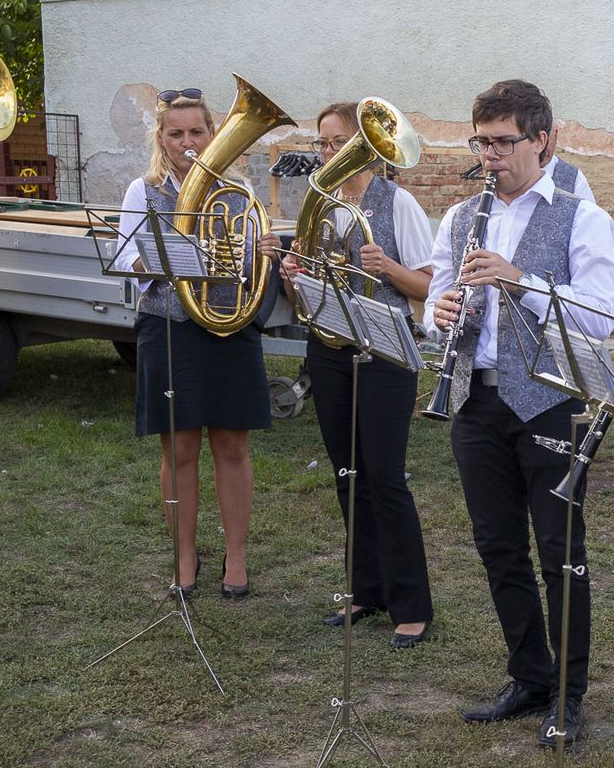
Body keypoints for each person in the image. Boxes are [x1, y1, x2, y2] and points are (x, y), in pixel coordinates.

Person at [428, 79, 614, 745]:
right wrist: (441, 312)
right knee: (498, 546)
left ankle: (569, 692)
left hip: (550, 401)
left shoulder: (582, 216)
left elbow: (598, 314)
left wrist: (521, 280)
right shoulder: (459, 218)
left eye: (505, 142)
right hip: (476, 397)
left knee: (560, 551)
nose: (491, 155)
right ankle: (528, 672)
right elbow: (433, 296)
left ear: (543, 139)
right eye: (482, 141)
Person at [276, 100, 436, 646]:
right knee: (347, 476)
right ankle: (368, 589)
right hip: (330, 350)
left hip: (386, 354)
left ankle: (412, 604)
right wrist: (292, 274)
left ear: (365, 146)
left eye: (337, 142)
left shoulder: (400, 203)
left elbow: (431, 283)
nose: (328, 153)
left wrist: (387, 267)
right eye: (322, 143)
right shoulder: (321, 206)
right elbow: (302, 294)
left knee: (386, 479)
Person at [111, 87, 272, 600]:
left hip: (228, 327)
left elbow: (250, 271)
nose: (187, 142)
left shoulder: (237, 190)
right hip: (171, 327)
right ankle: (184, 555)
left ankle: (237, 556)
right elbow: (124, 261)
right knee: (179, 447)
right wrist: (158, 255)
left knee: (232, 444)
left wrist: (262, 250)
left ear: (213, 133)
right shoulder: (144, 191)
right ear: (160, 137)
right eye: (175, 133)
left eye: (196, 132)